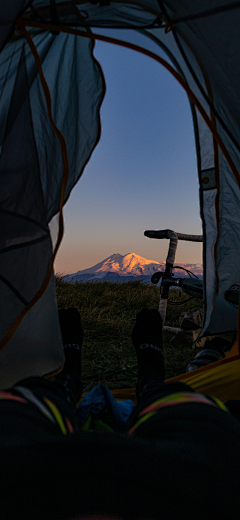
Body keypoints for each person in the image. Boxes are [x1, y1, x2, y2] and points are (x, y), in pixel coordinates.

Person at [1, 307, 240, 520]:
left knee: (27, 400)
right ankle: (151, 380)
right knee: (190, 408)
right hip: (188, 485)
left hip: (21, 475)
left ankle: (67, 379)